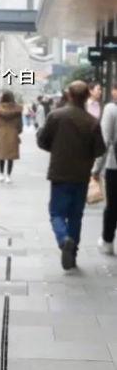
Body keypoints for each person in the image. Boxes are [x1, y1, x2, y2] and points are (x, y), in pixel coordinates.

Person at [37, 80, 105, 270]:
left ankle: (63, 238)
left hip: (59, 173)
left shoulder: (56, 116)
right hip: (81, 176)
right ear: (87, 96)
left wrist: (57, 148)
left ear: (69, 95)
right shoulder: (92, 122)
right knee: (76, 216)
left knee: (56, 213)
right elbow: (100, 149)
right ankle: (72, 254)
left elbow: (43, 141)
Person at [98, 83, 117, 254]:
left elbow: (104, 141)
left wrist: (96, 168)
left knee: (112, 205)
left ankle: (108, 241)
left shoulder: (111, 109)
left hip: (114, 166)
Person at [0, 91, 22, 183]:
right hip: (13, 132)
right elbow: (20, 125)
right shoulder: (17, 110)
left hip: (1, 133)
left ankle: (1, 174)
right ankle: (8, 176)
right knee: (10, 156)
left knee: (1, 155)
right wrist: (18, 131)